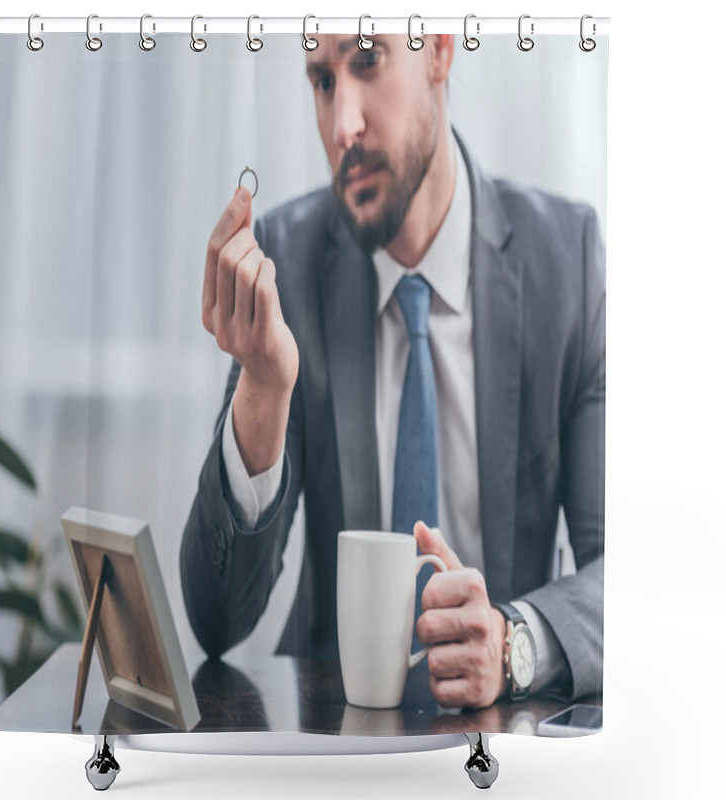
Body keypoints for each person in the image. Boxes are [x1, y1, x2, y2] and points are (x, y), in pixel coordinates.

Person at [180, 33, 604, 708]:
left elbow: (630, 574)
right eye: (322, 81)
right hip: (330, 742)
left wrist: (513, 641)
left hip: (501, 749)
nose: (342, 123)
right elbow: (217, 621)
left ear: (439, 51)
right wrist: (263, 387)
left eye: (368, 60)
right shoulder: (285, 261)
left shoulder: (568, 262)